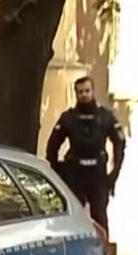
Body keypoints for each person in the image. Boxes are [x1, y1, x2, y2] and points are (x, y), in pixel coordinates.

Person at [45, 76, 126, 232]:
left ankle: (102, 246)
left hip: (98, 175)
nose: (84, 95)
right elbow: (52, 145)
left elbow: (120, 143)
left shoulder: (105, 117)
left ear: (93, 91)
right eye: (80, 92)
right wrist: (58, 170)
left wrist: (114, 173)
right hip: (75, 174)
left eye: (87, 91)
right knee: (73, 217)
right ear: (76, 94)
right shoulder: (69, 118)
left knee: (100, 218)